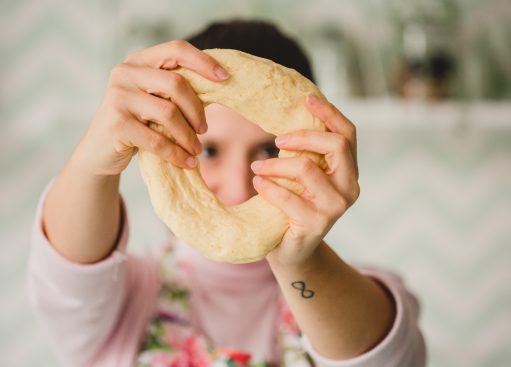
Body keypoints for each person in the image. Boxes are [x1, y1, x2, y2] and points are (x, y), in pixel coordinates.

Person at [27, 20, 426, 367]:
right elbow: (68, 283)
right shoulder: (126, 298)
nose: (237, 188)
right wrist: (92, 163)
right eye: (210, 150)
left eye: (270, 150)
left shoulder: (344, 290)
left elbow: (388, 359)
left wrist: (298, 262)